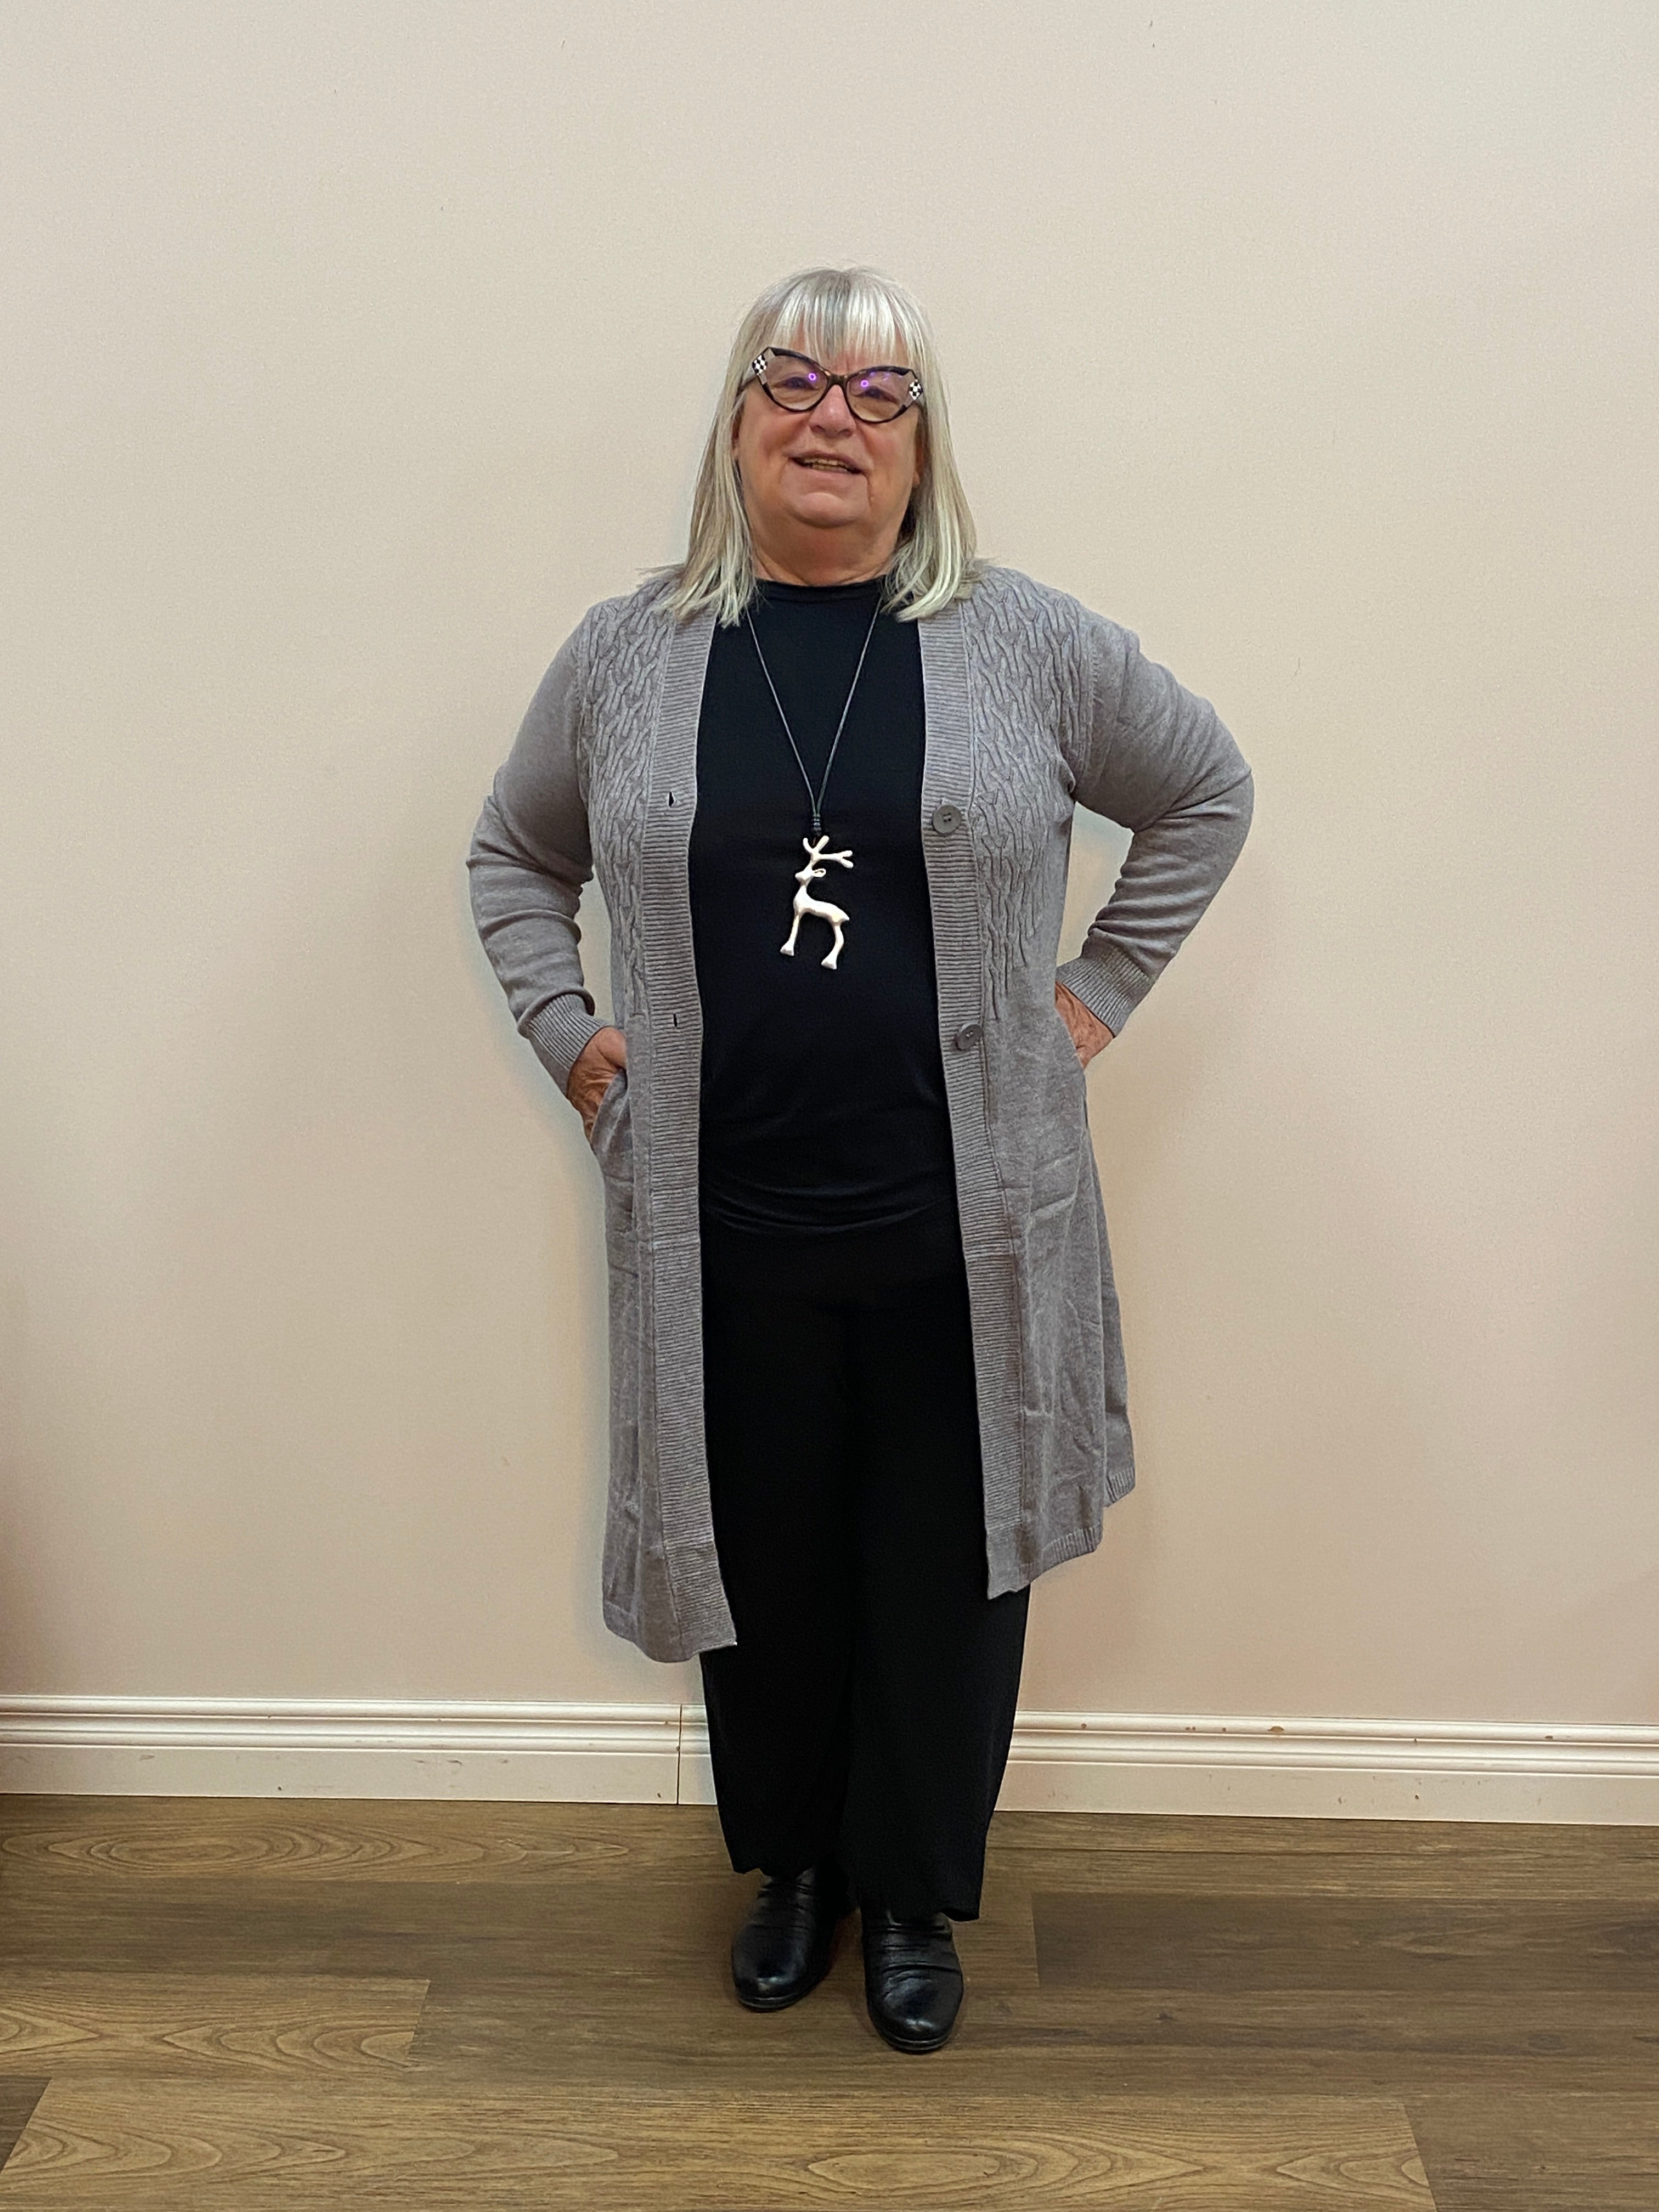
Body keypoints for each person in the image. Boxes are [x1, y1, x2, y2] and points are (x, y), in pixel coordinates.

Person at [466, 264, 1254, 2053]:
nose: (833, 417)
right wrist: (569, 1034)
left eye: (878, 395)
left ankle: (909, 1887)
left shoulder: (1027, 641)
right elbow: (515, 855)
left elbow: (1205, 787)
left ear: (923, 453)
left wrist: (1099, 994)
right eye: (793, 381)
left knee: (942, 1569)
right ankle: (793, 1871)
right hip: (723, 1224)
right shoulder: (628, 652)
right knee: (765, 1560)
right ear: (736, 428)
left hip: (959, 1228)